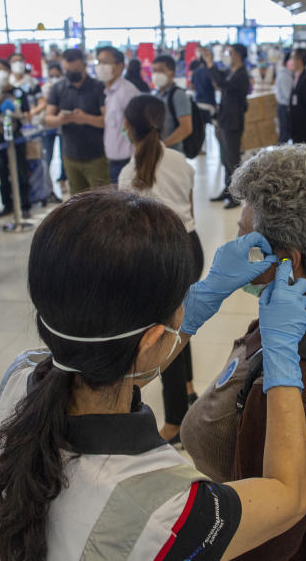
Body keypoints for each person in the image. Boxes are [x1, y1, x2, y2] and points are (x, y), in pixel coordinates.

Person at [0, 190, 306, 561]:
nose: (183, 309)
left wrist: (206, 293)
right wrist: (282, 355)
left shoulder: (21, 375)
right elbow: (290, 495)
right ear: (152, 338)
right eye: (180, 304)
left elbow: (110, 364)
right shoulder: (166, 509)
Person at [182, 145, 306, 561]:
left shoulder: (288, 386)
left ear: (288, 261)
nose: (231, 243)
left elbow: (266, 538)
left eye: (242, 233)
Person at [117, 95, 202, 443]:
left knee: (164, 336)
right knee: (183, 321)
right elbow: (189, 208)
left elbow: (129, 230)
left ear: (128, 127)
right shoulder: (182, 161)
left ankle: (176, 422)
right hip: (190, 247)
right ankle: (188, 388)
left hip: (158, 255)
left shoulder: (128, 173)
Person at [45, 49, 108, 195]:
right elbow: (48, 118)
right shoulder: (59, 88)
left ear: (85, 66)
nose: (72, 74)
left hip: (96, 155)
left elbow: (107, 121)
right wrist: (60, 119)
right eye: (68, 70)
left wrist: (85, 118)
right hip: (70, 156)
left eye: (75, 70)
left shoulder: (98, 87)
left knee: (101, 201)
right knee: (77, 202)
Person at [202, 44, 250, 209]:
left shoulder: (242, 75)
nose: (227, 55)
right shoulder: (231, 72)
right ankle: (227, 190)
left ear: (238, 55)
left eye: (230, 53)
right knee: (224, 159)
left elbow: (222, 83)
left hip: (233, 123)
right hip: (224, 120)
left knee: (232, 160)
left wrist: (210, 62)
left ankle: (235, 196)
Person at [0, 59, 32, 218]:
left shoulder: (19, 91)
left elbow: (27, 114)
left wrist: (18, 113)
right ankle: (7, 204)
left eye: (4, 69)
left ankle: (25, 205)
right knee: (3, 171)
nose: (1, 73)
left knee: (20, 172)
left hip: (17, 137)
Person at [97, 46, 141, 184]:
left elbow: (138, 124)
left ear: (120, 66)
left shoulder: (127, 91)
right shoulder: (109, 92)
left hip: (128, 159)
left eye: (106, 62)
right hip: (113, 159)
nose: (101, 67)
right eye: (99, 62)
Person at [152, 55, 193, 153]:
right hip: (158, 153)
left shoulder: (178, 95)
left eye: (161, 70)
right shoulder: (157, 94)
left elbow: (186, 128)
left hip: (173, 152)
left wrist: (163, 144)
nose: (157, 74)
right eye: (154, 70)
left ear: (172, 73)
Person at [40, 63, 67, 198]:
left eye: (57, 75)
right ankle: (47, 186)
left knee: (64, 155)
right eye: (51, 76)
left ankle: (62, 179)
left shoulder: (65, 88)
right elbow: (45, 111)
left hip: (63, 128)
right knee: (47, 157)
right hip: (48, 129)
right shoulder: (45, 89)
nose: (54, 78)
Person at [289, 48, 306, 145]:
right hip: (295, 122)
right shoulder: (296, 76)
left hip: (303, 124)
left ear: (299, 60)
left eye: (293, 58)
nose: (291, 61)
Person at [190, 53, 217, 123]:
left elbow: (192, 86)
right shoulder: (211, 71)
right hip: (210, 103)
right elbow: (215, 85)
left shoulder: (195, 71)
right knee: (217, 125)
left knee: (201, 126)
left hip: (198, 102)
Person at [274, 52, 294, 145]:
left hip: (284, 106)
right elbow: (288, 94)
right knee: (284, 134)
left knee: (285, 133)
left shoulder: (287, 73)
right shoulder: (284, 74)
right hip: (285, 107)